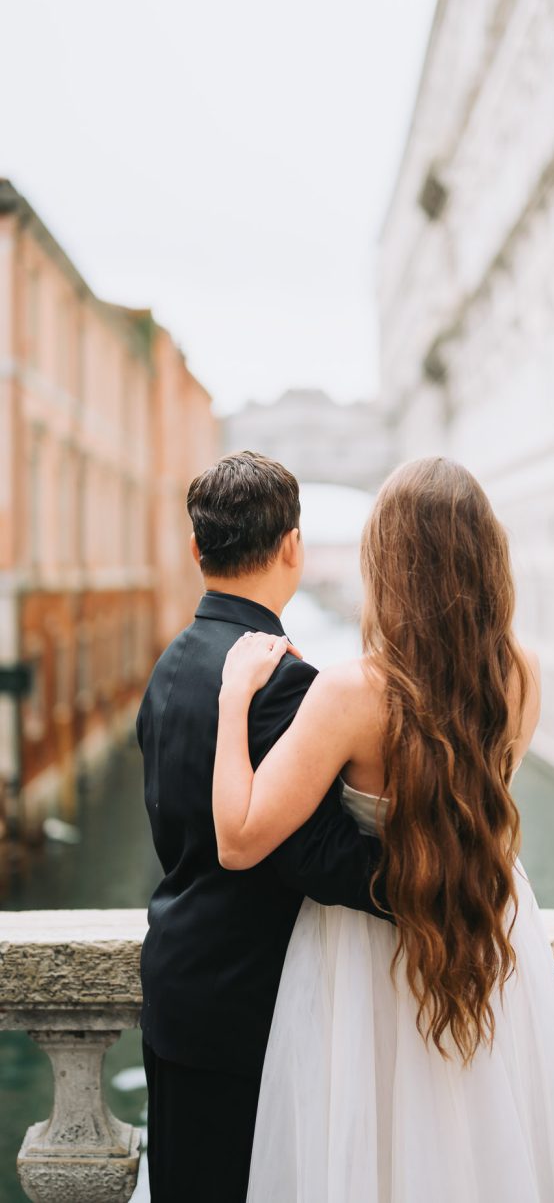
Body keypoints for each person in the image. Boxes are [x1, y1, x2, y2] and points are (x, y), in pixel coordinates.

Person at [213, 456, 554, 1203]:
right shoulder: (520, 673)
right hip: (489, 924)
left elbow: (239, 838)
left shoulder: (351, 692)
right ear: (487, 557)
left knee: (373, 1150)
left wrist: (236, 700)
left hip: (369, 952)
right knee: (488, 1137)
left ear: (386, 562)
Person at [136, 451, 388, 1203]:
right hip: (250, 1004)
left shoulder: (170, 665)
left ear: (195, 551)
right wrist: (440, 878)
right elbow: (316, 859)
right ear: (292, 547)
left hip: (178, 982)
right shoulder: (284, 682)